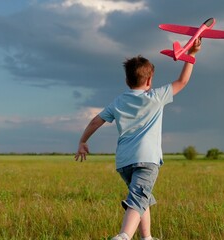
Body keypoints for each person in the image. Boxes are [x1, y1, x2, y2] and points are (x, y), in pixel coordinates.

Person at [75, 38, 202, 240]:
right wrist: (192, 55)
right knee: (138, 199)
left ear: (127, 81)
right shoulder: (156, 97)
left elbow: (94, 122)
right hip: (146, 159)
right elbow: (183, 81)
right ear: (150, 81)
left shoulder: (118, 101)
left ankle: (147, 237)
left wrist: (82, 141)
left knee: (142, 198)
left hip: (124, 162)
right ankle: (124, 236)